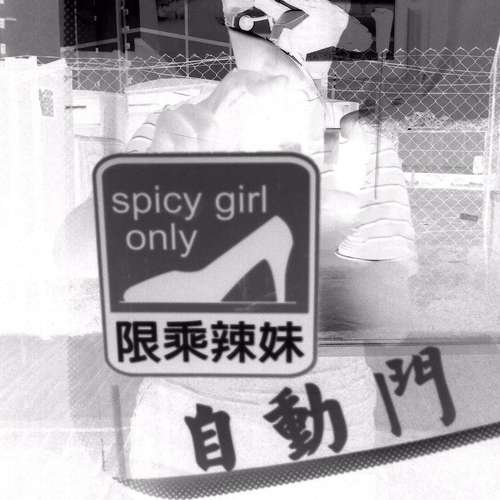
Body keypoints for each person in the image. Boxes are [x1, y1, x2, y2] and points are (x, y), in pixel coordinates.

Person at [56, 0, 417, 476]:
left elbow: (389, 317)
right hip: (183, 430)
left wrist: (316, 227)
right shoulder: (178, 124)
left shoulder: (359, 141)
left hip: (323, 436)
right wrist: (178, 164)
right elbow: (76, 256)